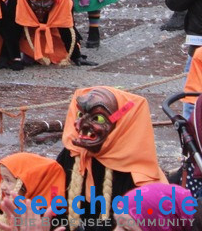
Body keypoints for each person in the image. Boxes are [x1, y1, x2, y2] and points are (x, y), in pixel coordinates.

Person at [54, 87, 164, 230]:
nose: (81, 124)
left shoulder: (138, 175)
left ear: (121, 125)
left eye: (98, 118)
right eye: (80, 114)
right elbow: (55, 204)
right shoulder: (71, 155)